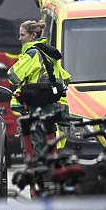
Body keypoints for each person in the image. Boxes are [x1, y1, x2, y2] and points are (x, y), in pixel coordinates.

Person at [7, 19, 71, 159]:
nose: (20, 38)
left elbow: (13, 77)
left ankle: (36, 179)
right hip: (50, 111)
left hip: (33, 110)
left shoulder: (32, 54)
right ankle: (48, 179)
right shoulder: (48, 53)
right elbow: (65, 78)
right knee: (48, 150)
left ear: (33, 35)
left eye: (23, 35)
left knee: (33, 153)